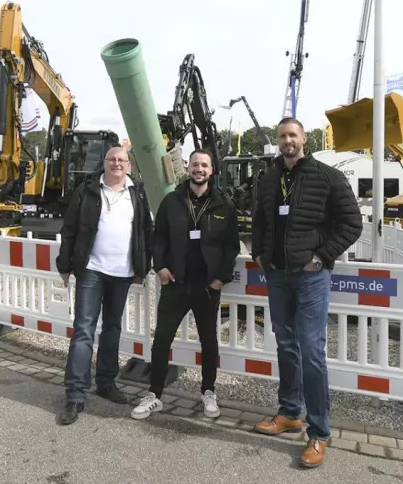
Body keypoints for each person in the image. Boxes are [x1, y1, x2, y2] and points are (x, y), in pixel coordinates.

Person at [250, 117, 362, 468]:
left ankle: (319, 432)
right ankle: (289, 412)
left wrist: (323, 255)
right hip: (278, 275)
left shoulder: (327, 177)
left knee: (312, 350)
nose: (287, 141)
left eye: (292, 135)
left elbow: (352, 223)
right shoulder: (268, 178)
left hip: (310, 276)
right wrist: (259, 253)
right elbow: (259, 220)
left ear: (304, 139)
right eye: (282, 135)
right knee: (285, 344)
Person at [131, 150, 240, 420]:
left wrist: (220, 277)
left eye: (204, 165)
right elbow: (159, 239)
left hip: (206, 286)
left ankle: (209, 392)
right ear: (187, 168)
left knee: (209, 342)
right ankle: (155, 395)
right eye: (195, 165)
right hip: (176, 284)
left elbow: (231, 246)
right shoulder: (172, 201)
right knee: (162, 341)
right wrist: (161, 266)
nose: (199, 169)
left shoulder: (223, 205)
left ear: (211, 170)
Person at [55, 146, 153, 425]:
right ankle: (75, 393)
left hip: (122, 273)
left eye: (122, 160)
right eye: (112, 159)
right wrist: (65, 265)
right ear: (105, 163)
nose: (117, 164)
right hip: (92, 270)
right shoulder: (87, 190)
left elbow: (145, 230)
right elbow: (69, 228)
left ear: (128, 165)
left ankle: (106, 383)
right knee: (84, 329)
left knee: (112, 328)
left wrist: (142, 268)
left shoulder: (138, 192)